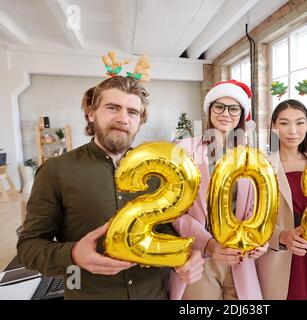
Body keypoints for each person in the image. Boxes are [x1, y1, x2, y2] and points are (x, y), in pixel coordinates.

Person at [17, 74, 204, 299]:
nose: (123, 118)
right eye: (113, 108)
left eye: (132, 112)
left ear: (140, 120)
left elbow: (161, 229)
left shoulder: (156, 172)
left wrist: (183, 257)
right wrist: (74, 254)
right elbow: (29, 248)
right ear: (91, 113)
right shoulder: (56, 171)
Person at [169, 79, 268, 300]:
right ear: (209, 110)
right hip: (199, 255)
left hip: (240, 256)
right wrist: (208, 244)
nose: (226, 113)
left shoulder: (250, 156)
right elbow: (174, 210)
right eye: (219, 106)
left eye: (234, 108)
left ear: (242, 114)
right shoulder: (184, 149)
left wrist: (260, 240)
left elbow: (258, 205)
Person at [256, 99, 307, 300]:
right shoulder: (262, 167)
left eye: (300, 122)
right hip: (277, 258)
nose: (293, 130)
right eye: (284, 123)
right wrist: (281, 237)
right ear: (274, 127)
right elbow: (252, 220)